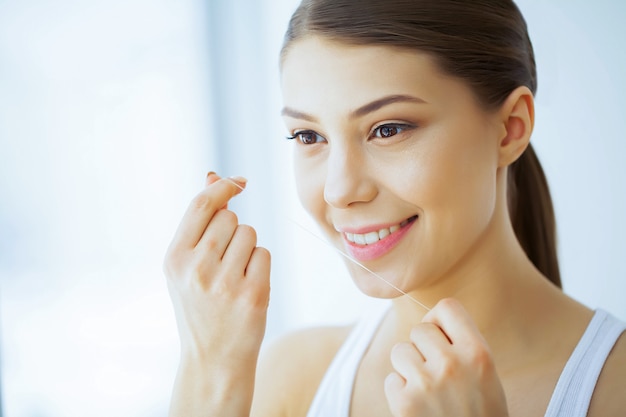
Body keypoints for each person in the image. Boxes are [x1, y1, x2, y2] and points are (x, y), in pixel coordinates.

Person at [164, 0, 626, 416]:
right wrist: (209, 375)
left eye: (388, 129)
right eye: (309, 137)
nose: (339, 190)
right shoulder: (289, 381)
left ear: (510, 128)